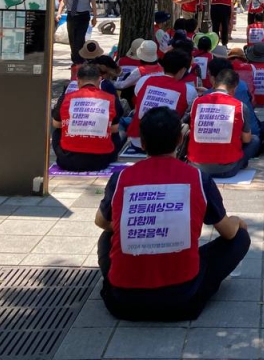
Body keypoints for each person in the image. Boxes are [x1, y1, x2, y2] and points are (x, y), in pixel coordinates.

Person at [95, 107, 251, 321]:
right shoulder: (198, 178)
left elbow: (101, 221)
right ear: (180, 139)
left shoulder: (121, 178)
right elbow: (228, 233)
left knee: (107, 236)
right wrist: (237, 222)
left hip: (122, 302)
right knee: (240, 237)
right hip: (182, 301)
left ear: (142, 141)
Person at [185, 68, 257, 178]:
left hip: (196, 167)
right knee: (255, 140)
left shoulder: (197, 102)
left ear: (214, 83)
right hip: (227, 169)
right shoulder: (240, 106)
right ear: (235, 88)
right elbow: (247, 139)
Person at [52, 63, 122, 171]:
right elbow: (114, 128)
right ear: (99, 79)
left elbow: (56, 124)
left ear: (78, 81)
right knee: (116, 132)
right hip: (101, 160)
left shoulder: (66, 98)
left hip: (68, 160)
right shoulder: (111, 99)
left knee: (57, 131)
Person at [127, 49, 194, 148]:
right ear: (183, 70)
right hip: (165, 145)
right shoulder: (189, 90)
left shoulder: (144, 80)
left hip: (137, 139)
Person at [58, 0, 98, 65]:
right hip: (71, 16)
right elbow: (64, 1)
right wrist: (59, 13)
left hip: (83, 16)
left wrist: (95, 17)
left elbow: (93, 3)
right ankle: (76, 59)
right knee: (72, 39)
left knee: (79, 39)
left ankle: (79, 60)